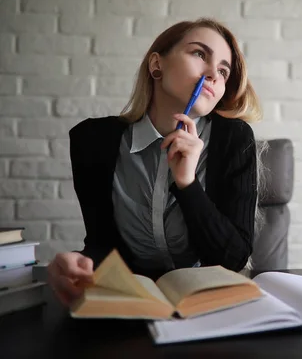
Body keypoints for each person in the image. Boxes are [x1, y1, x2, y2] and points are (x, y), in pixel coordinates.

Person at [47, 18, 263, 306]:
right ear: (156, 65)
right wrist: (79, 263)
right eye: (200, 54)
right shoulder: (93, 141)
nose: (213, 74)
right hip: (132, 304)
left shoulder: (234, 139)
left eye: (224, 71)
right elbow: (103, 245)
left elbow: (233, 258)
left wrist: (187, 184)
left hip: (209, 303)